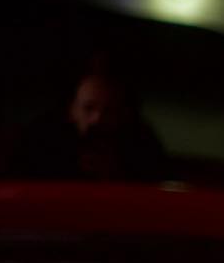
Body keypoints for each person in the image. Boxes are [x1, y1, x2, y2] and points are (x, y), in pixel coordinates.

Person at [8, 61, 167, 182]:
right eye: (88, 108)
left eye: (109, 111)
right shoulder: (42, 144)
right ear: (72, 110)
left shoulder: (142, 149)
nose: (97, 118)